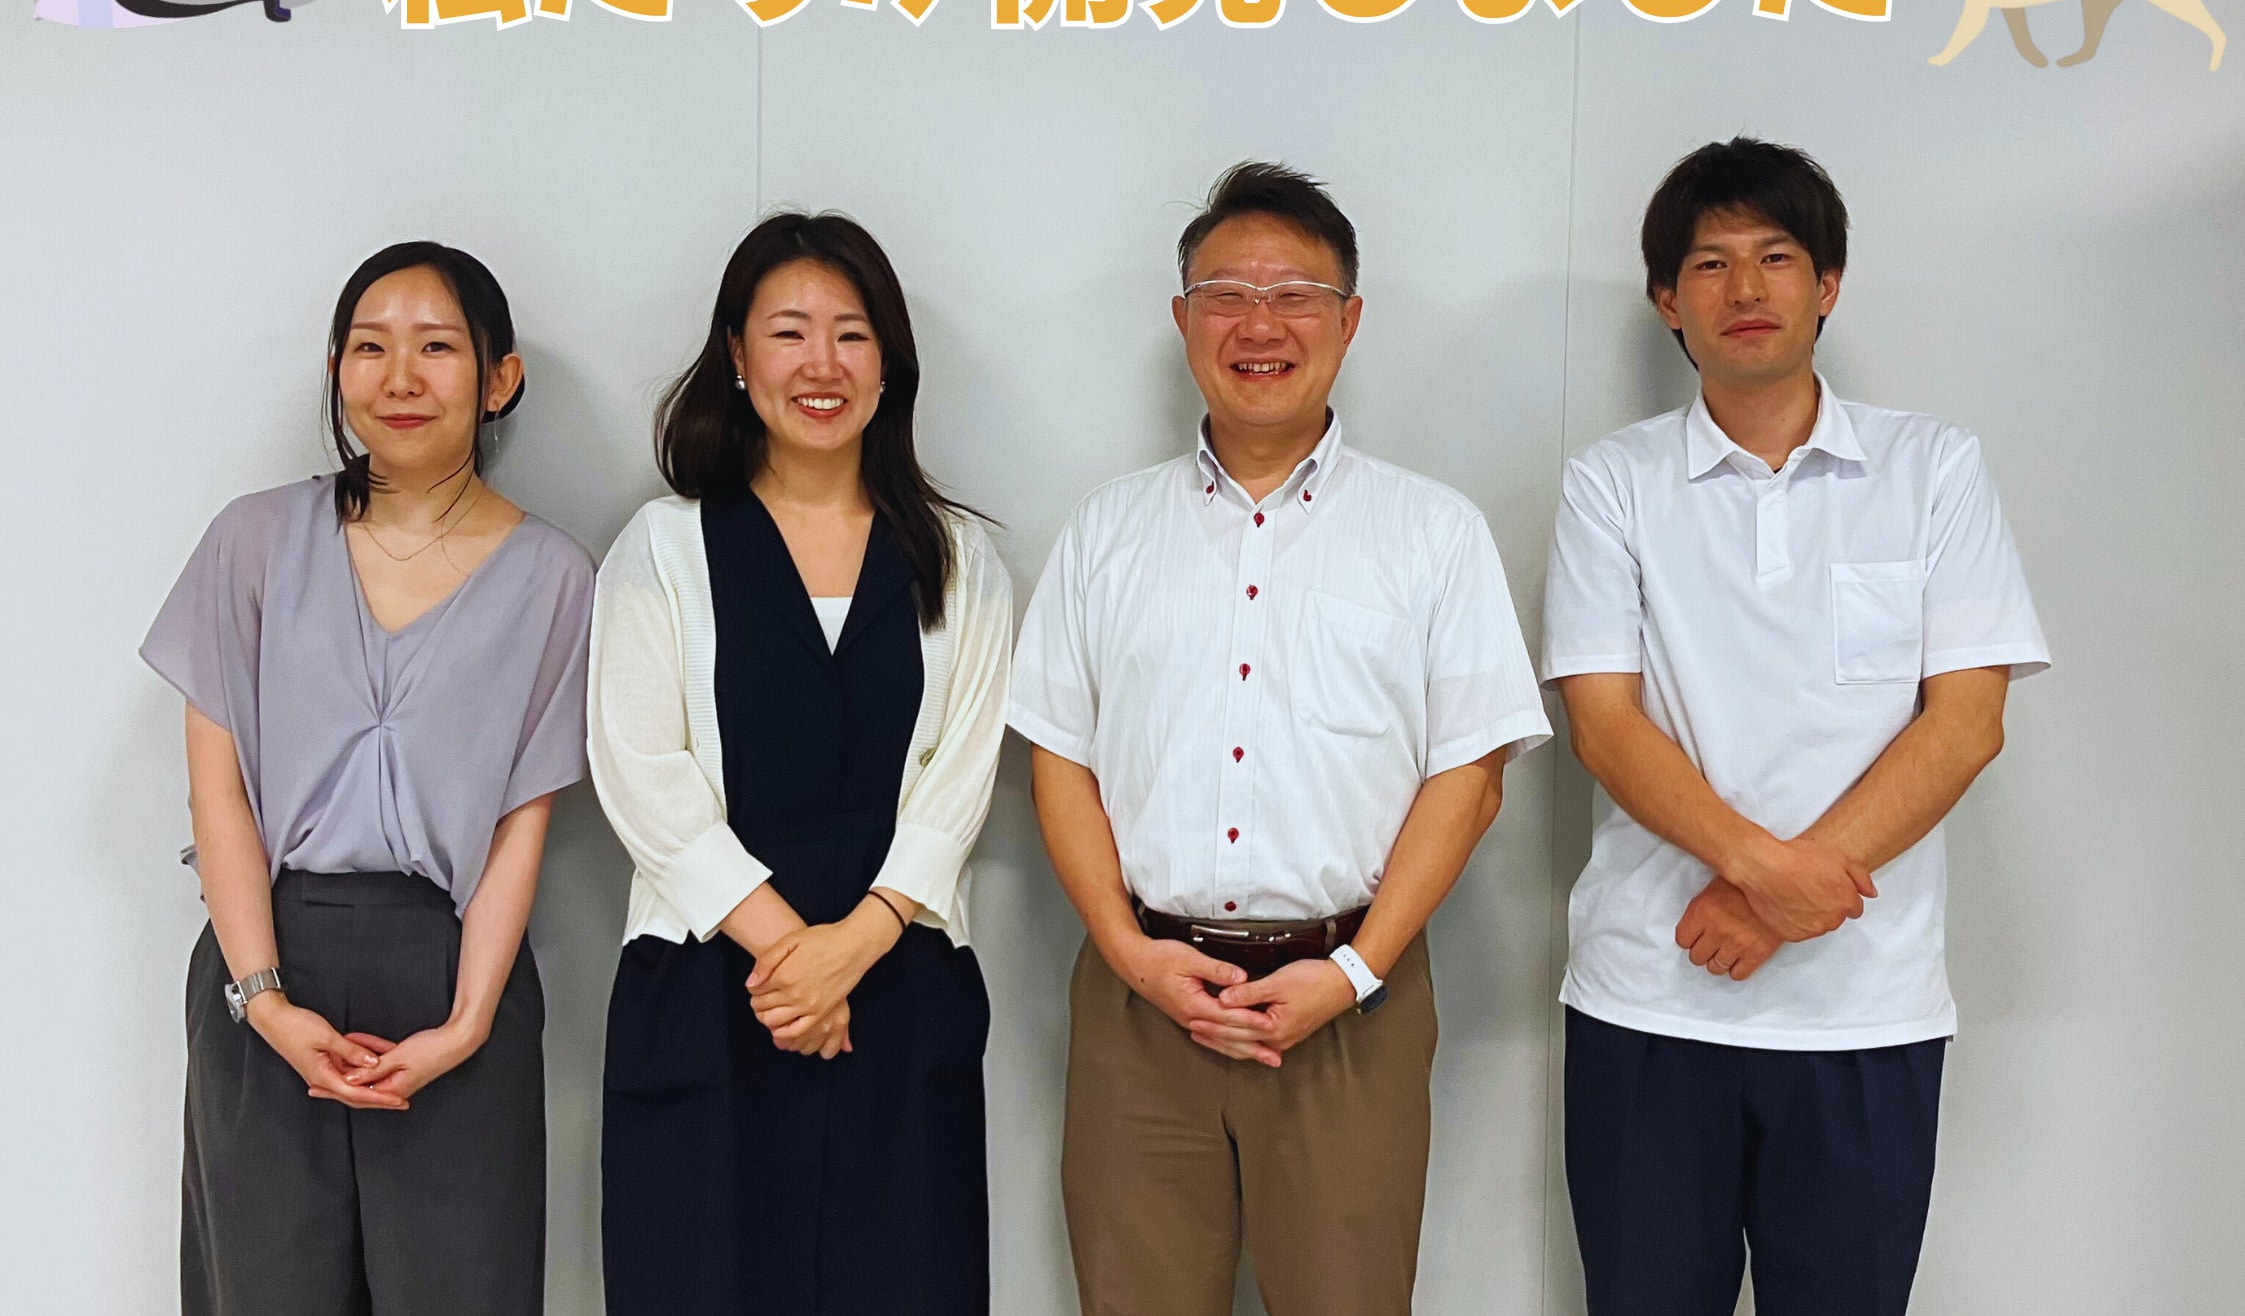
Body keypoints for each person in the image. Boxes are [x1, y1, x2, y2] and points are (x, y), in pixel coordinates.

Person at [1010, 162, 1551, 1316]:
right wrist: (1128, 951)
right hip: (1141, 1002)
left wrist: (1352, 973)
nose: (1260, 326)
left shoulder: (1431, 532)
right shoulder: (1106, 531)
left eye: (1296, 296)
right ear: (1182, 320)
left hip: (1354, 1002)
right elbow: (1059, 760)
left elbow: (1469, 778)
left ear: (1348, 322)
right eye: (1226, 296)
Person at [1544, 138, 2050, 1316]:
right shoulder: (1611, 481)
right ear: (1667, 301)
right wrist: (1761, 872)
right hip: (1650, 993)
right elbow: (1604, 726)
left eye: (1775, 257)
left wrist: (1774, 898)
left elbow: (1965, 723)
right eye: (1709, 263)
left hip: (1865, 1006)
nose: (1745, 288)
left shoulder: (1932, 468)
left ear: (1827, 284)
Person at [141, 241, 595, 1315]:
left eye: (436, 348)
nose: (399, 378)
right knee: (266, 1288)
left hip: (454, 969)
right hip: (267, 961)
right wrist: (263, 1000)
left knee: (463, 1289)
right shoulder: (253, 539)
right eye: (369, 347)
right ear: (336, 368)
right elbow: (219, 795)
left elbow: (521, 823)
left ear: (499, 377)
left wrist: (469, 1022)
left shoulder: (555, 577)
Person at [590, 211, 1012, 1316]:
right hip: (708, 989)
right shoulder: (664, 548)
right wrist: (795, 960)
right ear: (737, 355)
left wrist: (852, 949)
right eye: (788, 332)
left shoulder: (959, 557)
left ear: (889, 363)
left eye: (852, 334)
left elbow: (960, 781)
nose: (821, 364)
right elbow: (640, 771)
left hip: (899, 990)